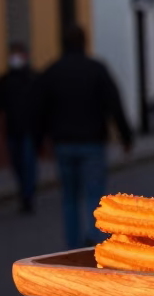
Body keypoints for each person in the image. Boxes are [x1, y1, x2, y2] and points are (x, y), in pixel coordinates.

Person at [34, 25, 133, 249]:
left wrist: (39, 142)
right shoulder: (97, 70)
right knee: (94, 195)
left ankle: (72, 244)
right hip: (93, 143)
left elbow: (39, 109)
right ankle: (95, 242)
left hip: (63, 144)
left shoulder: (52, 72)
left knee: (69, 196)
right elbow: (114, 103)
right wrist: (126, 136)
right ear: (85, 42)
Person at [0, 42, 37, 213]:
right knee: (17, 164)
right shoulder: (4, 80)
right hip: (12, 129)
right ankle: (23, 190)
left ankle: (27, 196)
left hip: (29, 130)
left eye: (18, 54)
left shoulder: (33, 78)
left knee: (28, 163)